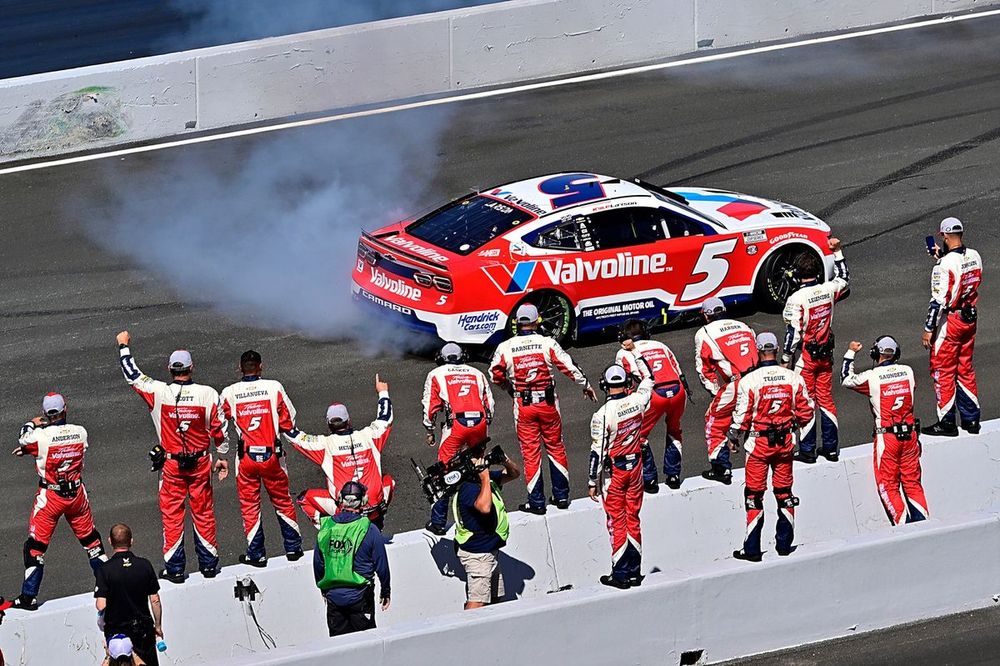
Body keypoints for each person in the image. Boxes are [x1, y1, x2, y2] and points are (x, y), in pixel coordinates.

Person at [116, 331, 230, 583]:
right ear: (191, 368)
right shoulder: (208, 393)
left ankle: (175, 569)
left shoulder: (159, 391)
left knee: (172, 514)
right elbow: (219, 428)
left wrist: (123, 346)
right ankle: (209, 565)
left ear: (170, 369)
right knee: (203, 512)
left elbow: (132, 375)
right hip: (200, 462)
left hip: (171, 465)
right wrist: (222, 455)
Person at [489, 303, 597, 514]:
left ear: (517, 323)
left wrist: (509, 388)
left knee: (530, 453)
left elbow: (494, 374)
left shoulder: (505, 347)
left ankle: (536, 502)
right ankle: (562, 496)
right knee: (556, 447)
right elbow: (569, 366)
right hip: (548, 404)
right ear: (537, 320)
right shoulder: (547, 343)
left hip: (524, 405)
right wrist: (585, 385)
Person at [10, 392, 106, 611]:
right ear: (65, 410)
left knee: (35, 548)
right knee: (92, 542)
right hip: (76, 496)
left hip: (51, 497)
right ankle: (106, 587)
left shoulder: (39, 436)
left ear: (45, 414)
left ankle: (29, 597)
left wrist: (32, 424)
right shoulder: (80, 432)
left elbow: (25, 437)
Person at [729, 332, 814, 562]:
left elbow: (741, 416)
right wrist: (794, 425)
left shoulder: (750, 381)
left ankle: (753, 549)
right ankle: (784, 545)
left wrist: (732, 435)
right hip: (785, 444)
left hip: (758, 446)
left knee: (754, 496)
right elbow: (807, 411)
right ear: (776, 350)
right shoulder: (793, 378)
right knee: (784, 493)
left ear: (758, 350)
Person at [220, 350, 303, 567]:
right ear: (261, 366)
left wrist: (222, 448)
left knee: (249, 506)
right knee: (283, 501)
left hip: (246, 458)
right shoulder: (274, 387)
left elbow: (218, 421)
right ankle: (293, 548)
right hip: (272, 456)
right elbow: (289, 421)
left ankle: (256, 554)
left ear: (240, 368)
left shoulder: (230, 392)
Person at [284, 375, 396, 530]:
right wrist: (383, 392)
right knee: (389, 481)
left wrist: (276, 416)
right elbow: (386, 417)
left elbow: (293, 436)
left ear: (329, 425)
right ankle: (378, 515)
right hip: (373, 509)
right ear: (348, 420)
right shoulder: (369, 435)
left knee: (304, 498)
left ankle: (328, 528)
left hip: (346, 511)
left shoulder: (324, 444)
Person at [842, 337, 929, 524]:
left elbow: (846, 380)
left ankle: (903, 527)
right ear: (896, 353)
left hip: (887, 437)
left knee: (887, 486)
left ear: (875, 354)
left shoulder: (871, 376)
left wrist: (850, 353)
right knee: (913, 484)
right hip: (910, 436)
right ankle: (924, 526)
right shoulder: (908, 371)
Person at [782, 238, 850, 463]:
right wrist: (837, 251)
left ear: (798, 274)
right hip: (826, 355)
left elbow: (793, 334)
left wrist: (785, 359)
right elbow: (844, 278)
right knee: (827, 400)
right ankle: (831, 449)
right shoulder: (828, 289)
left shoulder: (796, 298)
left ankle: (808, 450)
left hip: (807, 358)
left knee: (807, 402)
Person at [588, 363, 653, 589]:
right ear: (626, 383)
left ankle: (620, 573)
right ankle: (635, 572)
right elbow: (649, 378)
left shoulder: (602, 414)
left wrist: (591, 482)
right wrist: (635, 353)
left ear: (605, 385)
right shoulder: (637, 400)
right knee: (633, 517)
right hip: (636, 467)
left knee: (617, 521)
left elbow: (597, 451)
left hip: (614, 472)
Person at [422, 342, 495, 535]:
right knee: (478, 466)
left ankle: (438, 522)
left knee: (442, 472)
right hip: (479, 423)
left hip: (456, 425)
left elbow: (430, 407)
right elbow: (490, 404)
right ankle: (480, 512)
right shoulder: (476, 372)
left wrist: (429, 430)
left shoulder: (436, 374)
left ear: (442, 358)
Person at [922, 217, 983, 436]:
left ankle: (947, 422)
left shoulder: (945, 265)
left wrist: (929, 328)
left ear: (944, 236)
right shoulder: (974, 255)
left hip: (952, 321)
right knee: (965, 368)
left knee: (942, 369)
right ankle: (971, 420)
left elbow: (938, 300)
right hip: (970, 318)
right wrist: (942, 257)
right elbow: (965, 276)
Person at [616, 319, 688, 492]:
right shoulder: (661, 345)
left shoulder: (623, 352)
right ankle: (673, 475)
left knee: (639, 436)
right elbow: (678, 370)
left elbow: (624, 381)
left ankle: (649, 479)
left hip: (654, 394)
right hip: (678, 391)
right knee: (674, 431)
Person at [694, 297, 758, 485]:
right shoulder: (743, 326)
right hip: (758, 377)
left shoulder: (704, 332)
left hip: (737, 383)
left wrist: (715, 393)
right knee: (755, 419)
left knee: (714, 421)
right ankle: (758, 462)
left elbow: (704, 370)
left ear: (706, 316)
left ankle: (721, 468)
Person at [314, 481, 390, 637]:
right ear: (363, 501)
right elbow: (381, 565)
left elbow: (318, 563)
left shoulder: (326, 527)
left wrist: (323, 589)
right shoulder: (369, 528)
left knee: (340, 650)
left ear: (341, 499)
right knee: (367, 647)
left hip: (333, 598)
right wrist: (386, 591)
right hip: (361, 597)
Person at [452, 444, 520, 609]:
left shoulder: (484, 479)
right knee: (477, 602)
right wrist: (483, 477)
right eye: (477, 455)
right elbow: (484, 507)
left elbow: (514, 474)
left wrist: (504, 460)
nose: (482, 458)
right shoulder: (469, 487)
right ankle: (466, 633)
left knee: (494, 600)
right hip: (478, 555)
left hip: (489, 552)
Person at [96, 524, 163, 666]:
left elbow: (101, 605)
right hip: (143, 629)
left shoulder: (105, 570)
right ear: (131, 541)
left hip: (117, 633)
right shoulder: (144, 565)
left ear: (110, 541)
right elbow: (155, 600)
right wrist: (157, 626)